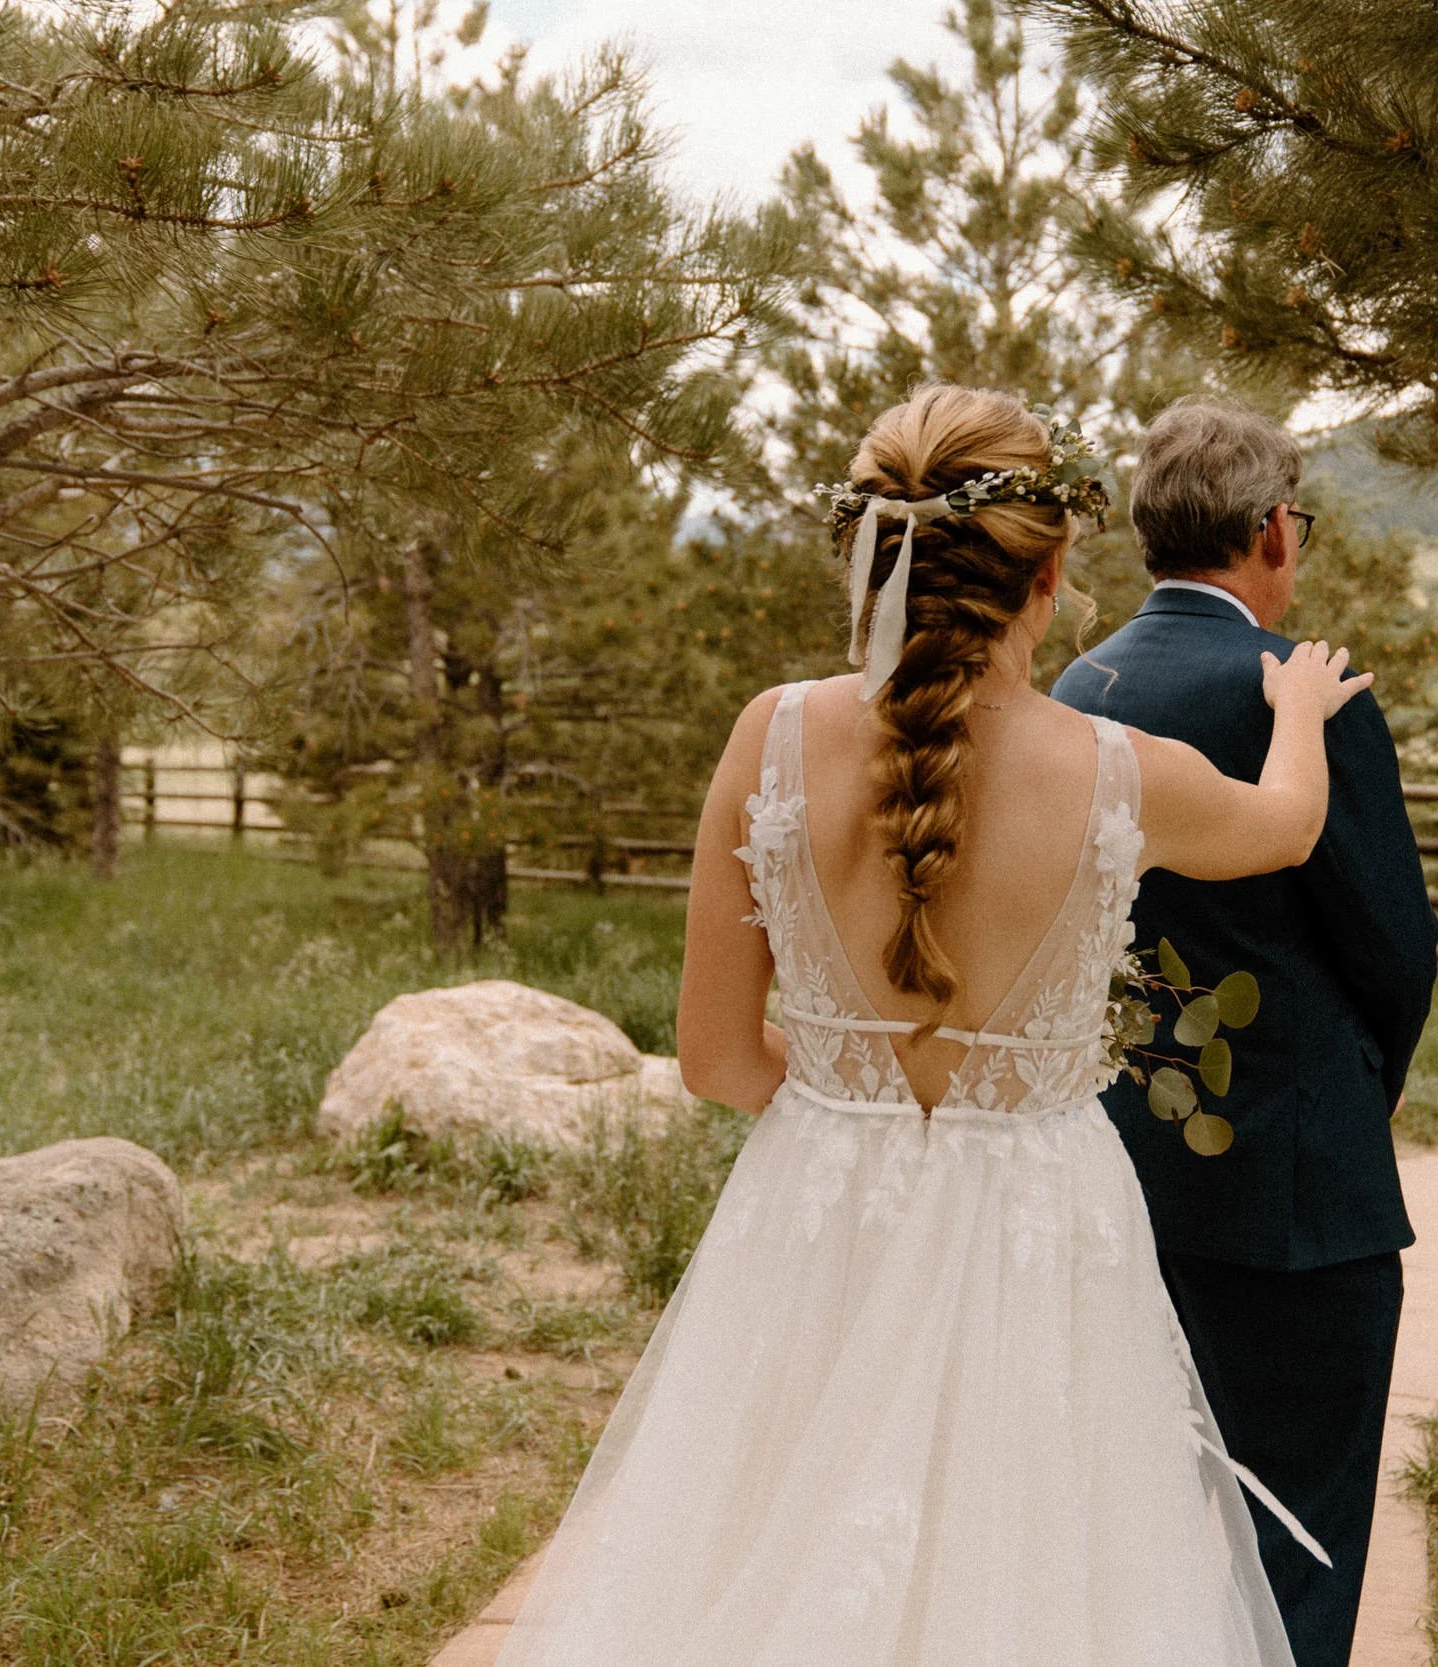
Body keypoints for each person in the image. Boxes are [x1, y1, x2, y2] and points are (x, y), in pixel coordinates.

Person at [493, 384, 1373, 1667]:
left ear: (868, 562)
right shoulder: (1115, 770)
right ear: (1049, 572)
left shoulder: (769, 737)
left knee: (773, 1547)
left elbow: (717, 1059)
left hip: (819, 1217)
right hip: (1039, 1229)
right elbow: (1286, 825)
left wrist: (852, 1100)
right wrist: (1294, 711)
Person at [1052, 399, 1438, 1667]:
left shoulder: (1077, 688)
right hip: (1296, 1183)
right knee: (1302, 1530)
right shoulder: (1296, 693)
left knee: (1154, 1512)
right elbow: (1390, 933)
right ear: (1274, 527)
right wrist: (1370, 1080)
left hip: (1125, 1164)